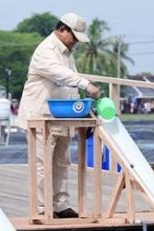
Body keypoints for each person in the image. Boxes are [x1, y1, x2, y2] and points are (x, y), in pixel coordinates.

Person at [16, 12, 101, 218]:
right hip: (41, 115)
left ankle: (61, 204)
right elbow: (61, 75)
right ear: (62, 30)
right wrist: (85, 84)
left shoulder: (66, 52)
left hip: (63, 115)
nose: (76, 43)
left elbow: (70, 84)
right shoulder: (46, 50)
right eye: (74, 37)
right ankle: (43, 207)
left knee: (62, 162)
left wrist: (85, 113)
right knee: (42, 164)